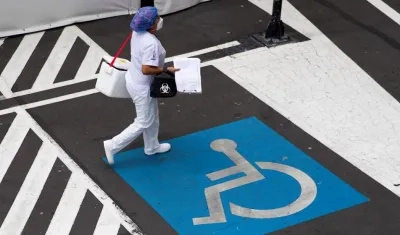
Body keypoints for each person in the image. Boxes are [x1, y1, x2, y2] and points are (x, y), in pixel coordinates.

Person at [103, 6, 180, 165]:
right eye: (156, 18)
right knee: (144, 121)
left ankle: (152, 146)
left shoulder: (137, 33)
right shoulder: (150, 43)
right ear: (150, 25)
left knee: (153, 116)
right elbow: (146, 69)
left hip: (134, 79)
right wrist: (166, 70)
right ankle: (112, 145)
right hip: (142, 87)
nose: (159, 20)